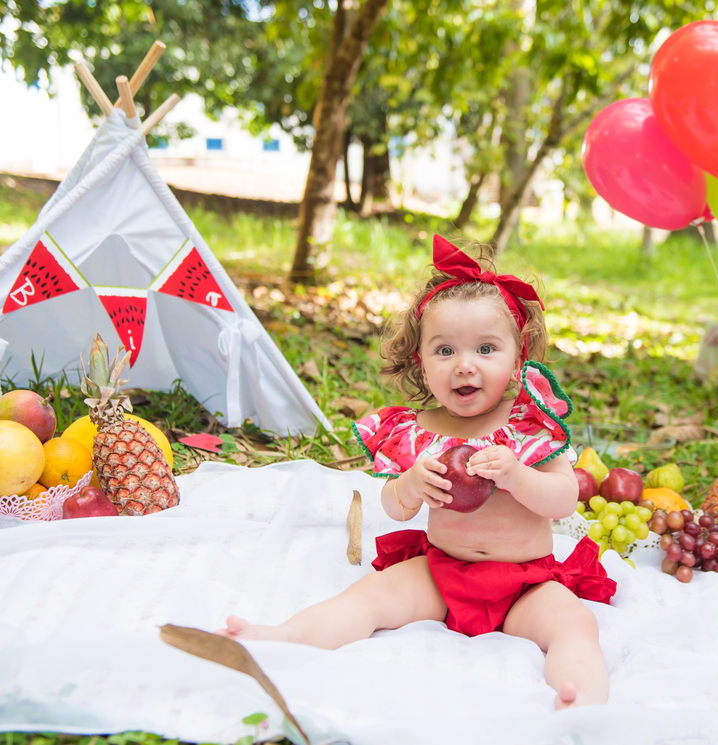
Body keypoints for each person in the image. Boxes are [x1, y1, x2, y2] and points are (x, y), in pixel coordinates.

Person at [216, 235, 616, 709]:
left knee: (573, 623)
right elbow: (395, 508)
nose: (465, 365)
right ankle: (280, 638)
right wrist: (410, 486)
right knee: (372, 594)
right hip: (442, 573)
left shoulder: (529, 426)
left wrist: (516, 476)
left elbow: (564, 499)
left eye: (486, 349)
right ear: (421, 364)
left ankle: (580, 698)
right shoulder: (418, 431)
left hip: (525, 583)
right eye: (445, 351)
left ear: (516, 359)